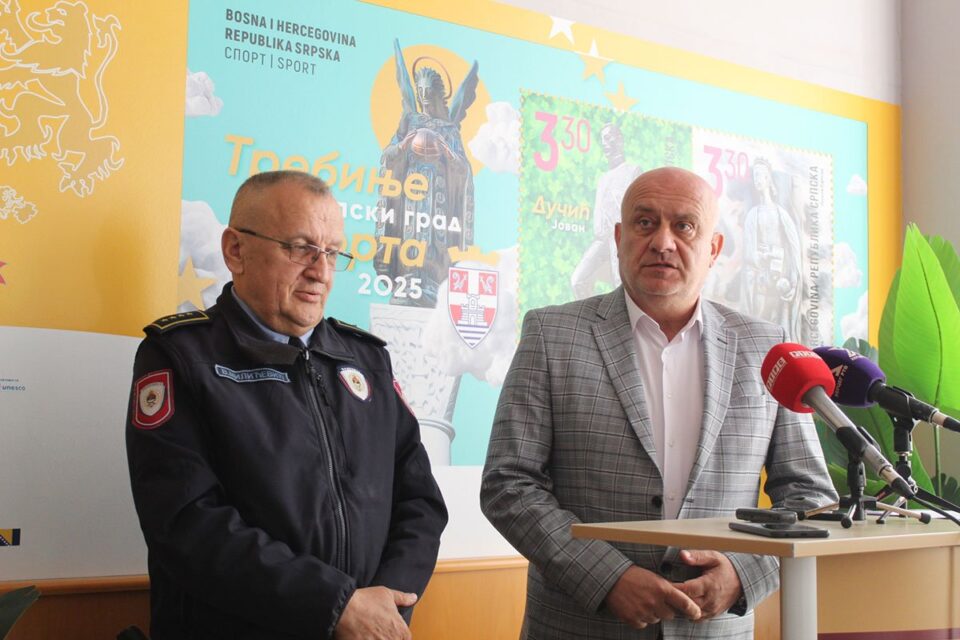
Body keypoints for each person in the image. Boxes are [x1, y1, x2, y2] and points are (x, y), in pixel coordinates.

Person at [481, 167, 835, 639]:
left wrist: (742, 573)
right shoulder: (552, 335)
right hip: (580, 626)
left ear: (713, 249)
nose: (663, 242)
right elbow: (508, 483)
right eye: (645, 223)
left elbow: (811, 498)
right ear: (619, 238)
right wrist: (607, 578)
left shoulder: (766, 348)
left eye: (684, 226)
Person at [126, 170, 447, 640]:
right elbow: (187, 523)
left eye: (332, 252)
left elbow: (420, 501)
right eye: (300, 248)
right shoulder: (181, 357)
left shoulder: (367, 360)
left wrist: (385, 602)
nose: (321, 271)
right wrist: (335, 607)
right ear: (236, 250)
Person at [374, 38, 479, 307]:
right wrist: (404, 145)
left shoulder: (450, 130)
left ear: (438, 93)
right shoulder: (411, 120)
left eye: (427, 91)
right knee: (411, 232)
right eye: (419, 90)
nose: (422, 96)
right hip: (413, 191)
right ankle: (408, 282)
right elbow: (389, 154)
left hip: (439, 194)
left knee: (434, 238)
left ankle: (431, 283)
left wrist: (447, 152)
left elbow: (463, 169)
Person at [570, 122, 642, 299]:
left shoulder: (633, 171)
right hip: (602, 239)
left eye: (609, 138)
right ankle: (591, 316)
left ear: (620, 139)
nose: (606, 143)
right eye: (603, 139)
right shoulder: (603, 179)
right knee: (578, 279)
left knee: (621, 288)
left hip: (623, 237)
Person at [742, 158, 803, 341]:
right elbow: (748, 253)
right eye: (755, 176)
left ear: (768, 178)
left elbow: (793, 248)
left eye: (760, 175)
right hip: (760, 279)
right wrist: (760, 256)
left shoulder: (781, 214)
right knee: (758, 323)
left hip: (779, 277)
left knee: (778, 326)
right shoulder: (753, 215)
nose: (757, 180)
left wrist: (792, 279)